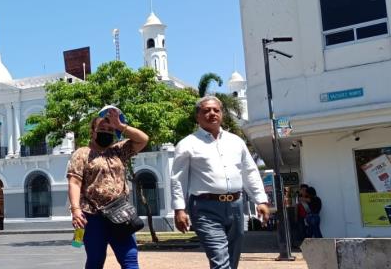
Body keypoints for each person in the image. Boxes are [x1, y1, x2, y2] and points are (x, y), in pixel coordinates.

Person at [170, 96, 270, 269]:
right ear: (198, 116)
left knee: (232, 259)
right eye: (206, 110)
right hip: (204, 209)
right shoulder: (187, 144)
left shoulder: (236, 141)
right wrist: (179, 209)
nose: (212, 113)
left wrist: (260, 200)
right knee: (220, 259)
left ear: (222, 114)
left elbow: (250, 172)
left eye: (216, 110)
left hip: (236, 206)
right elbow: (178, 179)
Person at [67, 107, 150, 269]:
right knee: (96, 260)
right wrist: (76, 209)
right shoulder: (82, 153)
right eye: (102, 129)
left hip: (120, 215)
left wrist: (120, 126)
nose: (106, 132)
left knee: (130, 259)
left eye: (110, 130)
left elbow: (143, 139)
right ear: (93, 132)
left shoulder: (119, 150)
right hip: (93, 216)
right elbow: (74, 182)